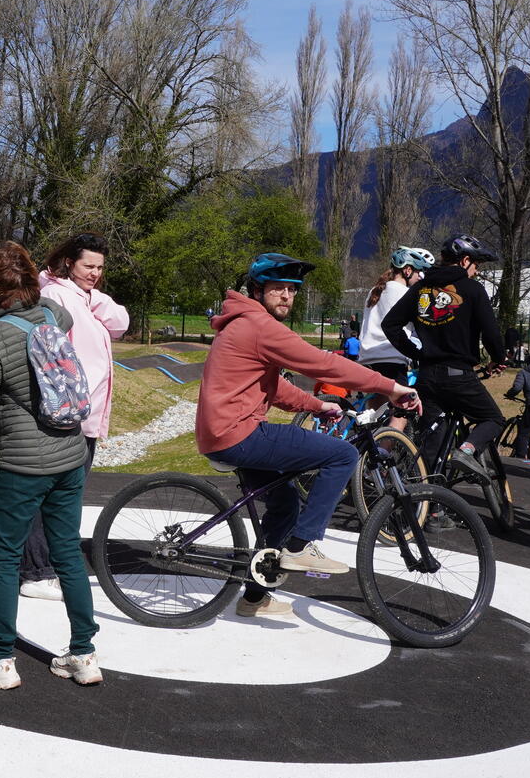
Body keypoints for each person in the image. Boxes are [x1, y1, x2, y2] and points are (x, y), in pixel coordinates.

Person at [199, 253, 420, 617]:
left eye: (292, 290)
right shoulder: (258, 325)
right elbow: (322, 363)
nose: (286, 296)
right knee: (342, 455)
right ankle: (302, 546)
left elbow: (273, 387)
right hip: (239, 432)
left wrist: (317, 405)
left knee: (286, 504)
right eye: (277, 288)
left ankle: (254, 598)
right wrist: (390, 387)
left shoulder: (244, 323)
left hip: (224, 432)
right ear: (257, 290)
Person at [0, 243, 101, 688]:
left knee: (4, 558)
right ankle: (83, 655)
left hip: (23, 463)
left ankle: (0, 660)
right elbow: (66, 318)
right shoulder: (53, 314)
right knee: (67, 553)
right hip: (70, 453)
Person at [7, 233, 132, 602]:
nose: (95, 273)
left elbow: (121, 322)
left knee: (66, 493)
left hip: (82, 413)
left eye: (100, 268)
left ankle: (46, 565)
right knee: (53, 493)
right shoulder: (57, 295)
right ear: (67, 263)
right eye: (88, 266)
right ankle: (36, 571)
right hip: (65, 411)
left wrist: (94, 297)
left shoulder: (83, 296)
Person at [380, 233, 507, 477]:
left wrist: (416, 352)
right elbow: (491, 334)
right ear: (465, 260)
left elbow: (390, 325)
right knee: (493, 419)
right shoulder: (473, 289)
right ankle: (466, 451)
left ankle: (429, 498)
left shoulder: (421, 288)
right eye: (476, 265)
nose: (477, 271)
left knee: (432, 444)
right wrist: (498, 359)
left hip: (427, 377)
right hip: (459, 376)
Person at [357, 246, 432, 430]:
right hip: (390, 358)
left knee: (375, 413)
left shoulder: (375, 290)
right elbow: (420, 324)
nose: (419, 278)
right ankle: (385, 447)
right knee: (403, 412)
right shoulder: (404, 293)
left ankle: (369, 443)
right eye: (418, 273)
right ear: (407, 270)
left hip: (367, 357)